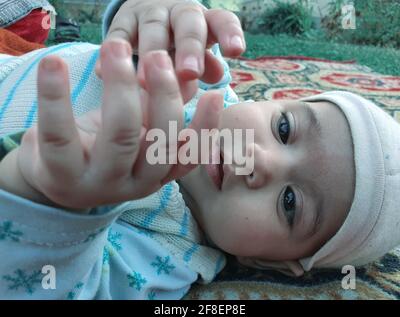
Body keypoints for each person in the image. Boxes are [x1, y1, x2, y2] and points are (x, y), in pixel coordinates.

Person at [0, 0, 399, 299]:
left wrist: (60, 205)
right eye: (283, 128)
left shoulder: (170, 257)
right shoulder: (205, 77)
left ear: (271, 261)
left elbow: (54, 285)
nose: (259, 161)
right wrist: (153, 14)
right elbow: (143, 31)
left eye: (290, 203)